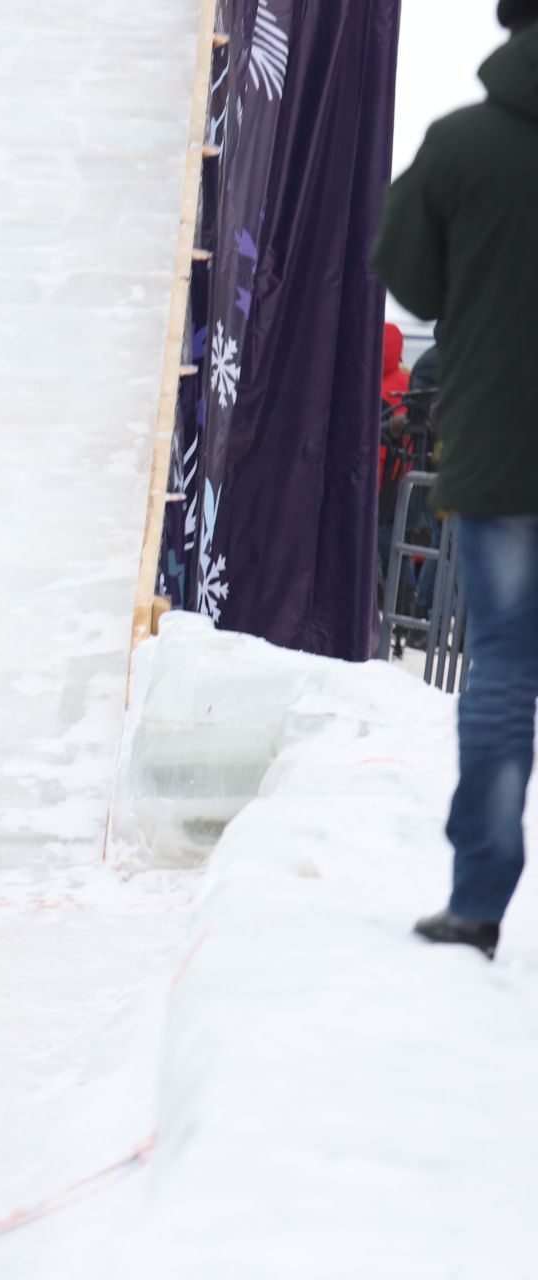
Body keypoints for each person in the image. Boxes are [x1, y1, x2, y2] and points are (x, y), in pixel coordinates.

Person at [374, 0, 538, 960]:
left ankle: (478, 900)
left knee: (506, 671)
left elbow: (415, 286)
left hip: (500, 453)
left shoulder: (462, 143)